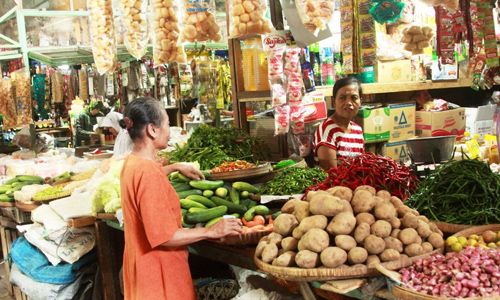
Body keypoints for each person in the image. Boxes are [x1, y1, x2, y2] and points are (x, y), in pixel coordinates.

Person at [119, 97, 243, 300]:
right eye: (167, 123)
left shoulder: (132, 162)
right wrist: (210, 231)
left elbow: (145, 180)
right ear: (152, 129)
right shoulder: (148, 173)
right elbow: (165, 237)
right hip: (159, 276)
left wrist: (175, 167)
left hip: (141, 269)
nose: (169, 129)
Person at [313, 77, 365, 170]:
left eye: (354, 98)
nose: (349, 102)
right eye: (342, 98)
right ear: (334, 102)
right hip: (336, 184)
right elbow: (331, 174)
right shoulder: (327, 129)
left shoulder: (358, 130)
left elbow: (362, 166)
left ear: (360, 101)